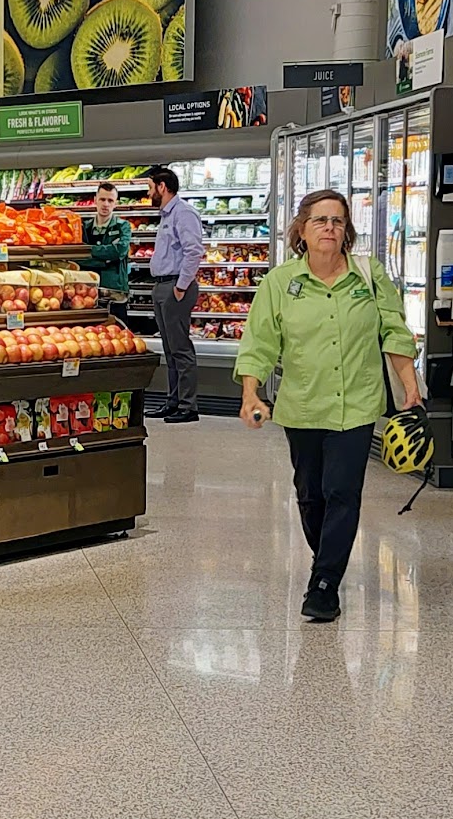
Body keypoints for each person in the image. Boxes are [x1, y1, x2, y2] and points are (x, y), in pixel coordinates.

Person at [233, 189, 424, 623]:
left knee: (342, 491)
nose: (329, 228)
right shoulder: (280, 283)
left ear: (346, 231)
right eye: (320, 220)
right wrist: (250, 393)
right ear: (302, 229)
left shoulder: (369, 276)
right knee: (311, 495)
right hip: (302, 405)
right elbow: (259, 343)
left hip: (357, 403)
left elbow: (394, 331)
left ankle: (323, 584)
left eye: (337, 221)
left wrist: (409, 383)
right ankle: (327, 562)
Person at [145, 164, 204, 423]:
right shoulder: (166, 215)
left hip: (175, 287)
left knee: (180, 348)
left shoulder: (183, 213)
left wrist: (181, 286)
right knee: (170, 349)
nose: (148, 194)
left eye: (150, 188)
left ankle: (188, 406)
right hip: (163, 285)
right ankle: (174, 401)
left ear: (162, 187)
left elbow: (194, 251)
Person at [82, 181, 132, 309]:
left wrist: (90, 251)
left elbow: (119, 251)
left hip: (115, 292)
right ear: (95, 200)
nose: (106, 204)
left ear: (115, 203)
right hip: (87, 291)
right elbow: (78, 257)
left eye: (110, 200)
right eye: (102, 199)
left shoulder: (123, 227)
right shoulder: (84, 227)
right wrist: (105, 261)